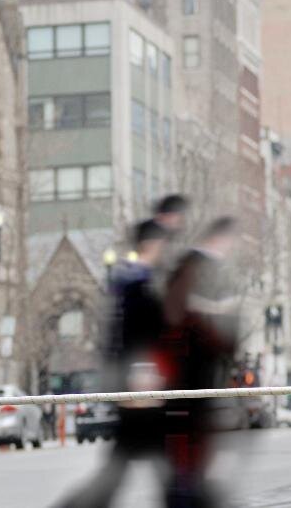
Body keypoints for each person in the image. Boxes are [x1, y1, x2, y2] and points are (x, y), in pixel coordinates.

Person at [57, 219, 171, 508]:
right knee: (139, 464)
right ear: (152, 244)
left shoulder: (130, 281)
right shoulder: (136, 284)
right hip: (140, 386)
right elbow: (134, 338)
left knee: (134, 465)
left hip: (139, 385)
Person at [161, 217, 240, 508]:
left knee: (192, 464)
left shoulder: (196, 288)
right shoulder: (190, 275)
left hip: (197, 388)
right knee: (187, 463)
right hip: (185, 388)